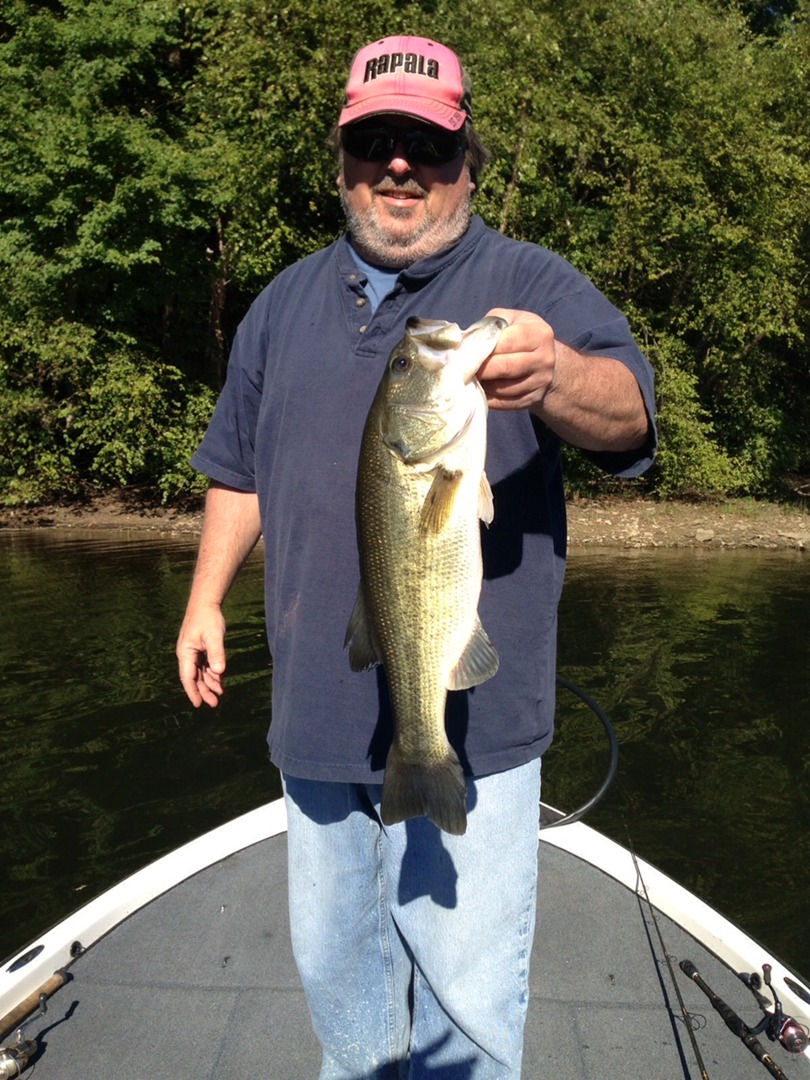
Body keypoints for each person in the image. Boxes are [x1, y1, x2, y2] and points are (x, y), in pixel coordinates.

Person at [177, 34, 656, 1079]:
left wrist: (558, 371)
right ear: (343, 162)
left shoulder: (526, 281)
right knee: (340, 991)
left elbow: (627, 415)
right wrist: (204, 600)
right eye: (375, 142)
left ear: (466, 164)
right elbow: (236, 470)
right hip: (313, 709)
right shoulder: (281, 305)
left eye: (427, 147)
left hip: (473, 729)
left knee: (466, 1008)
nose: (400, 166)